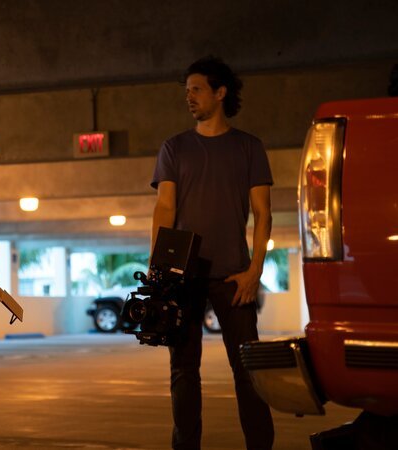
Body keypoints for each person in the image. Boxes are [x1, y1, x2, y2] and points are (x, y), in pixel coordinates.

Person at [150, 56, 275, 450]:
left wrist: (255, 270)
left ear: (220, 93)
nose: (189, 96)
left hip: (235, 276)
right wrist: (160, 276)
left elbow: (262, 212)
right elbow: (164, 210)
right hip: (183, 276)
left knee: (248, 373)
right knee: (183, 372)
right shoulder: (174, 148)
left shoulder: (249, 148)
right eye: (186, 90)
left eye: (197, 89)